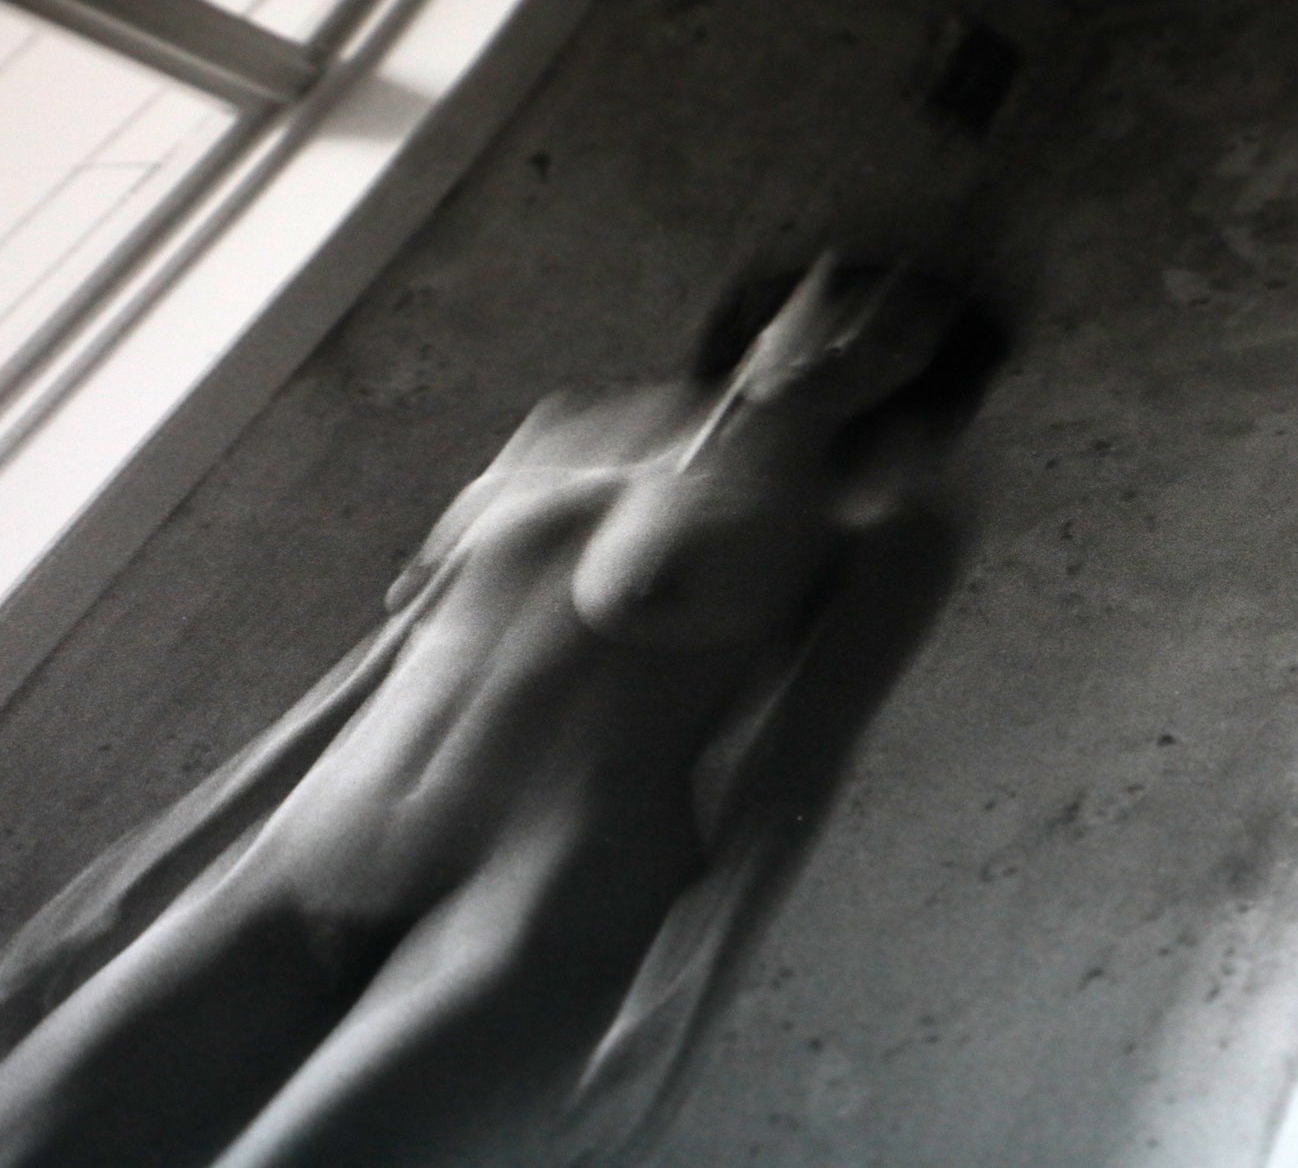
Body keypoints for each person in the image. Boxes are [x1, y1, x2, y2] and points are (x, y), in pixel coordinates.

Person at [0, 255, 1002, 1167]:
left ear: (921, 378)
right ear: (781, 293)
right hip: (303, 858)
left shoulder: (877, 526)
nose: (852, 340)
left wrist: (667, 1024)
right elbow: (372, 668)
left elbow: (788, 786)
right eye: (845, 295)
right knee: (27, 1122)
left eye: (903, 336)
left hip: (525, 915)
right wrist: (142, 867)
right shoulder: (566, 426)